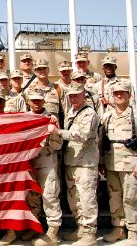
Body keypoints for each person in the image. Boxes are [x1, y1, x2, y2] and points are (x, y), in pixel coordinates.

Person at [49, 83, 99, 246]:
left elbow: (82, 135)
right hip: (72, 161)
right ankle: (81, 228)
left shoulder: (89, 113)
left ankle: (90, 234)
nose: (73, 98)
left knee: (86, 197)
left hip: (85, 163)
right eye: (70, 95)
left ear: (84, 94)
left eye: (77, 94)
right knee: (74, 198)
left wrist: (58, 132)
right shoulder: (71, 111)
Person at [99, 80, 137, 245]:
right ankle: (118, 229)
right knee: (114, 198)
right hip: (112, 164)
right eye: (116, 93)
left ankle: (133, 233)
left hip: (131, 166)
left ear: (129, 95)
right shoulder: (107, 117)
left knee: (130, 199)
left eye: (122, 93)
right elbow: (101, 141)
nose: (119, 95)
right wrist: (101, 162)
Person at [28, 89, 63, 246]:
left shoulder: (51, 118)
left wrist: (53, 132)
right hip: (30, 161)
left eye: (39, 100)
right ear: (29, 101)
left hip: (47, 159)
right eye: (33, 100)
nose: (36, 102)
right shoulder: (25, 117)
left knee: (49, 195)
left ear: (44, 101)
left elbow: (58, 144)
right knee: (32, 196)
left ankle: (53, 231)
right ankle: (34, 227)